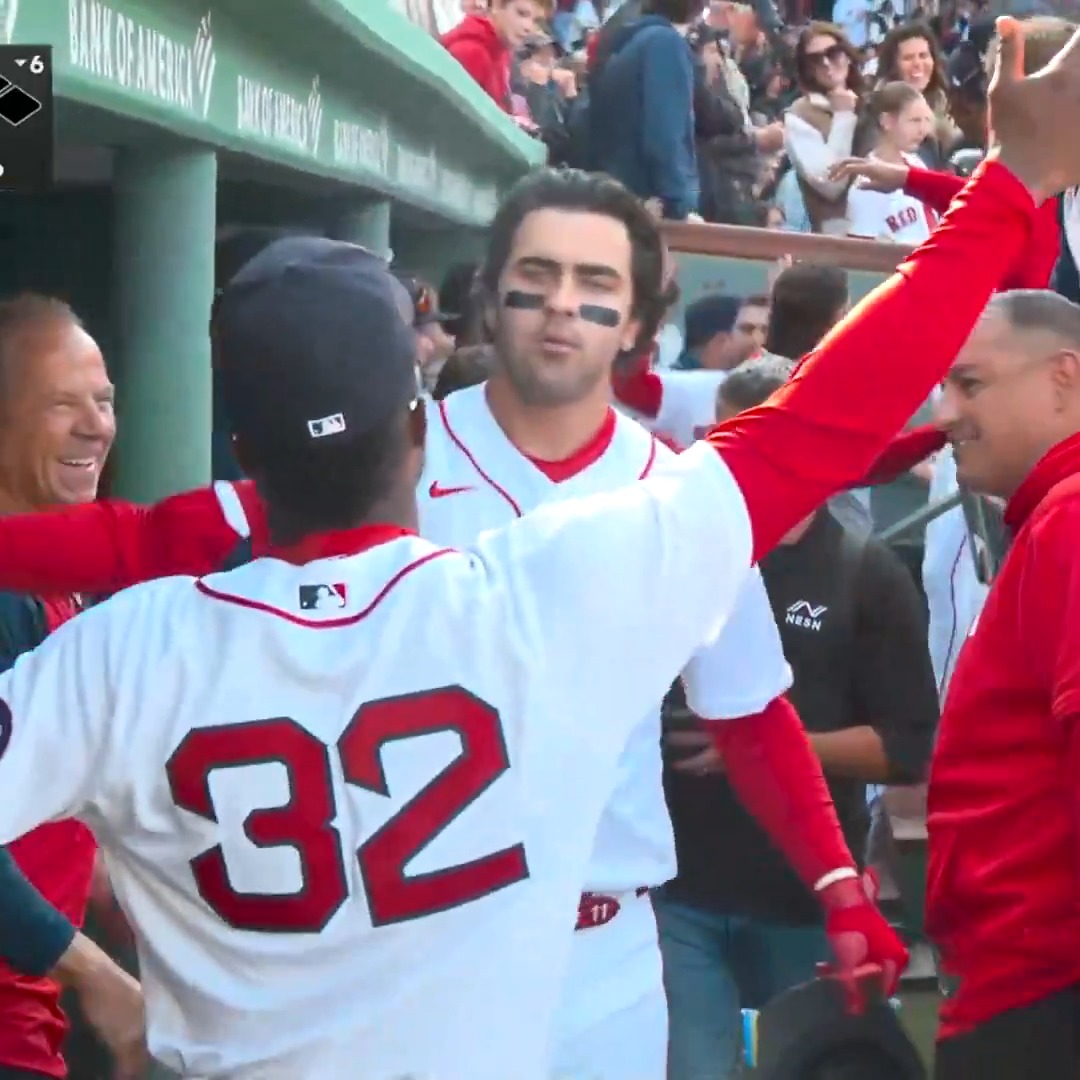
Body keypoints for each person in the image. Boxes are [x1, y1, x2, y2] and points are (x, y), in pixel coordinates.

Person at [0, 26, 1077, 1066]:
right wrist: (1012, 178)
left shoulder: (121, 656)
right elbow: (821, 422)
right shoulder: (546, 590)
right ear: (419, 427)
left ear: (241, 451)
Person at [658, 357, 939, 1080]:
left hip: (799, 896)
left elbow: (909, 745)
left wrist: (763, 747)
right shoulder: (677, 555)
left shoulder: (863, 573)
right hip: (677, 891)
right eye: (720, 441)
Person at [928, 288, 1080, 1079]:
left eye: (972, 384)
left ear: (1062, 378)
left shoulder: (1072, 517)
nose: (946, 412)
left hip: (1044, 996)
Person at [0, 294, 146, 1080]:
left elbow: (44, 818)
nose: (96, 426)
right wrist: (97, 976)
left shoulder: (51, 579)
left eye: (104, 400)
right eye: (63, 404)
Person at [588, 0, 703, 221]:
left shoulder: (626, 44)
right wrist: (678, 204)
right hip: (647, 208)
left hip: (615, 200)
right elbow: (665, 132)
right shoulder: (665, 44)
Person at [784, 22, 866, 235]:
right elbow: (831, 185)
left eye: (833, 53)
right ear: (807, 69)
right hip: (838, 236)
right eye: (814, 59)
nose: (826, 63)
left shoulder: (874, 101)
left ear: (847, 55)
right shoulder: (800, 115)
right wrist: (843, 116)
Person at [846, 82, 937, 243]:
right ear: (887, 121)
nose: (923, 129)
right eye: (914, 121)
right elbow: (862, 255)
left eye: (925, 120)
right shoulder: (865, 186)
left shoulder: (916, 162)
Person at [441, 0, 547, 111]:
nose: (528, 27)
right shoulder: (471, 53)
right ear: (497, 4)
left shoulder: (502, 50)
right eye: (521, 13)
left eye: (536, 21)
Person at [874, 22, 956, 166]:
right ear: (892, 65)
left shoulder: (943, 103)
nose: (917, 63)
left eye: (923, 55)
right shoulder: (878, 111)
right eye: (908, 58)